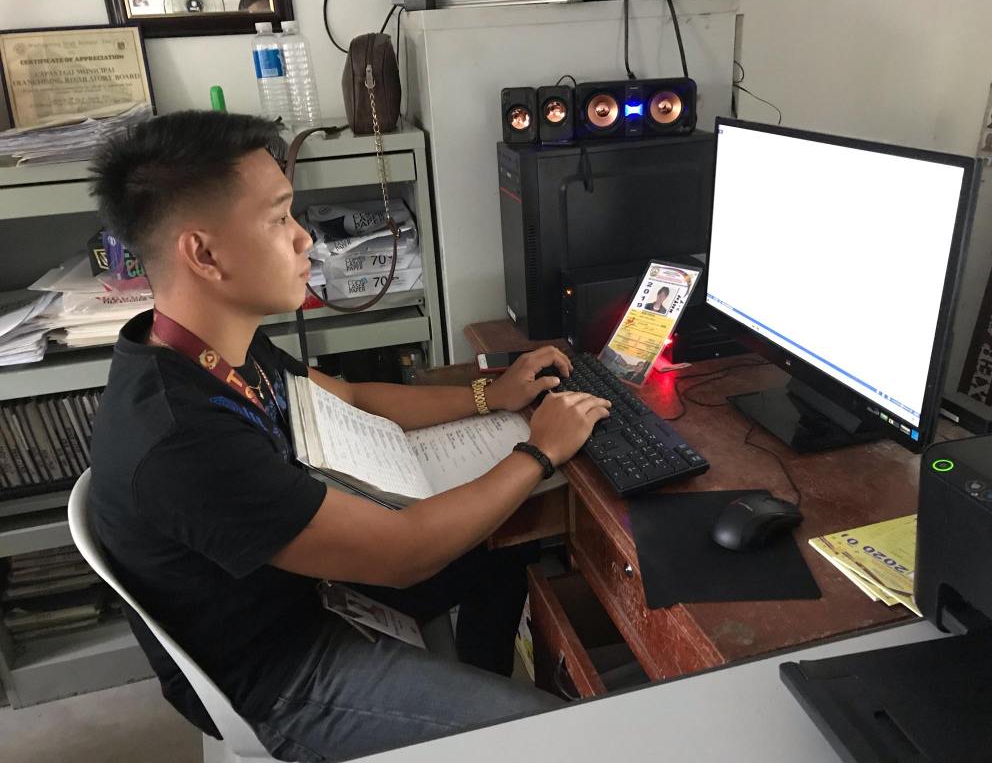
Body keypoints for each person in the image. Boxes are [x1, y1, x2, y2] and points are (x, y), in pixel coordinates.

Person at [87, 111, 611, 763]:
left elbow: (354, 398)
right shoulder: (181, 438)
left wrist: (491, 396)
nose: (304, 238)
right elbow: (403, 553)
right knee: (565, 742)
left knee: (505, 548)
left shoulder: (207, 342)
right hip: (284, 673)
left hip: (307, 590)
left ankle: (477, 702)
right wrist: (540, 450)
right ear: (205, 254)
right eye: (279, 218)